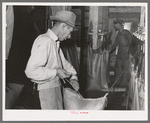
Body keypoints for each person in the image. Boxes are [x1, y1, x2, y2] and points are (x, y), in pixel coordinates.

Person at [25, 11, 79, 110]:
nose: (69, 36)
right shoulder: (45, 41)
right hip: (43, 93)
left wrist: (73, 78)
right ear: (63, 26)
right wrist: (56, 72)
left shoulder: (54, 42)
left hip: (54, 90)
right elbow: (31, 71)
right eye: (70, 31)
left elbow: (63, 63)